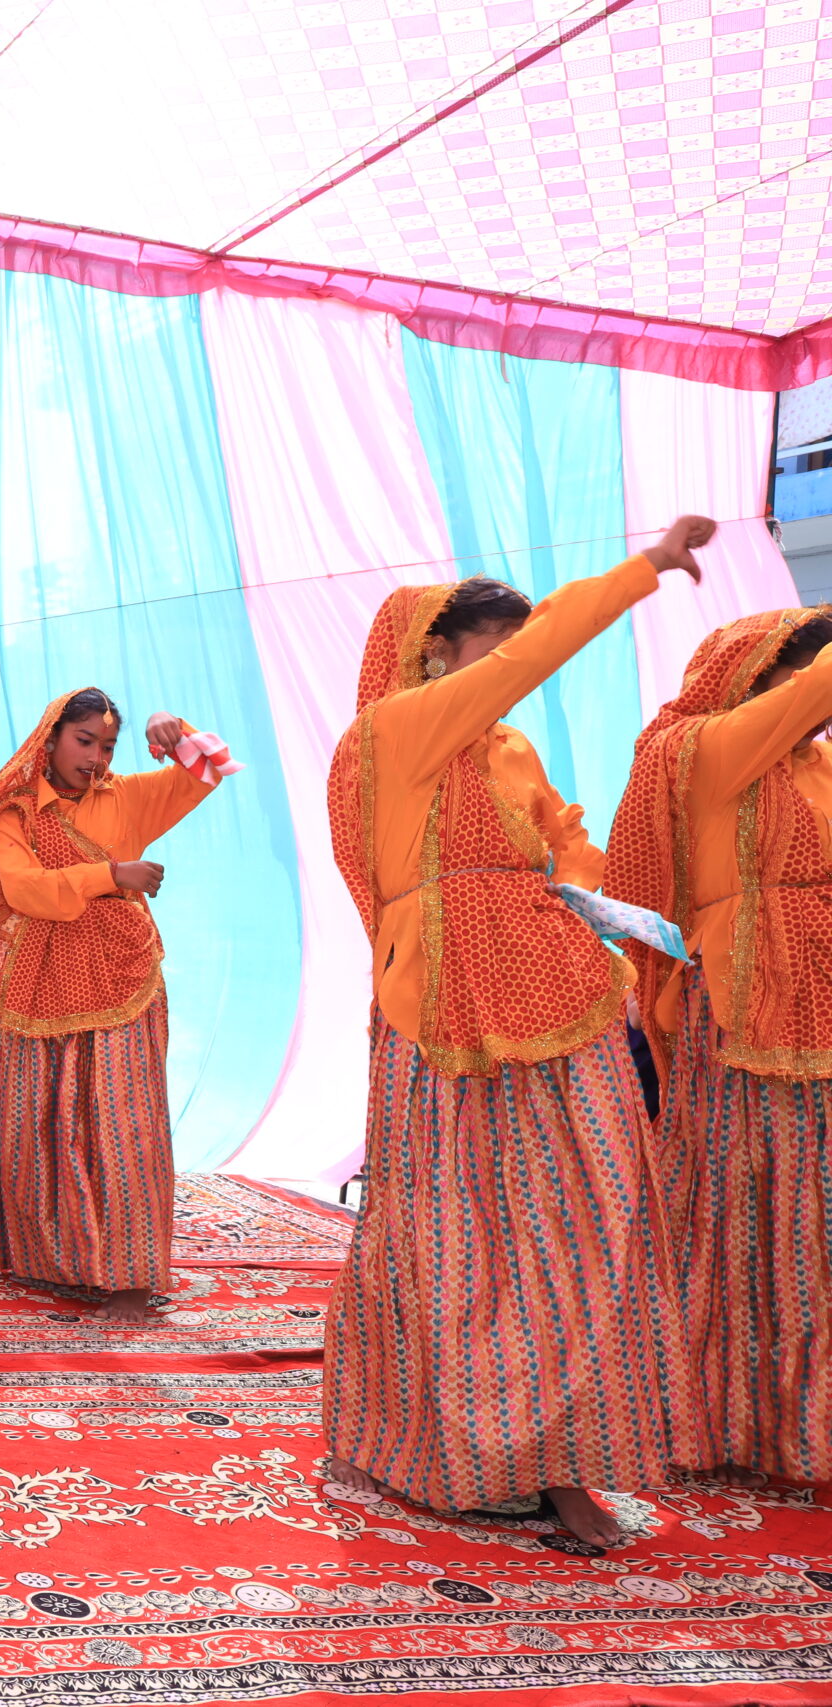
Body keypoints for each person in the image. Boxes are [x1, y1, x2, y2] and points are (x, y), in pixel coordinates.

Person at [320, 517, 713, 1549]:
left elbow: (564, 834)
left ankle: (572, 1451)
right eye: (498, 645)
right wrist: (644, 568)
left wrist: (581, 900)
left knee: (595, 1210)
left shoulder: (505, 746)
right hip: (444, 1005)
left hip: (557, 985)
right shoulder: (394, 731)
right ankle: (453, 1444)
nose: (516, 664)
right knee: (454, 1228)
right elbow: (532, 659)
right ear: (435, 654)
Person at [606, 605, 832, 1485]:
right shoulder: (700, 747)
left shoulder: (814, 763)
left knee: (813, 1211)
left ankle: (808, 1427)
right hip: (745, 1004)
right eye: (799, 682)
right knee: (746, 1206)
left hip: (819, 997)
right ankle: (717, 1416)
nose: (813, 708)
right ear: (752, 677)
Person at [0, 689, 222, 1325]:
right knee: (39, 1123)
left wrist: (172, 725)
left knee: (124, 1128)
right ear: (49, 740)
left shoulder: (123, 797)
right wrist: (111, 876)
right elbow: (23, 890)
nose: (96, 757)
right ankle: (54, 1261)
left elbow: (208, 769)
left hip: (122, 981)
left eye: (107, 746)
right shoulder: (16, 815)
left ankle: (132, 1281)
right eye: (83, 741)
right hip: (37, 984)